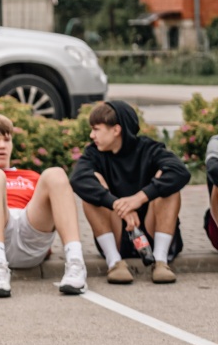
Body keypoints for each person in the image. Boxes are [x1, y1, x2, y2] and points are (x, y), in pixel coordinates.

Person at [0, 111, 87, 298]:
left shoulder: (31, 176)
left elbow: (41, 212)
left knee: (55, 173)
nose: (2, 145)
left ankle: (76, 264)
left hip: (28, 232)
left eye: (6, 140)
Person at [70, 100, 189, 285]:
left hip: (152, 231)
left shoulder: (150, 149)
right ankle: (114, 262)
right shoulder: (94, 153)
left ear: (116, 130)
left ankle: (160, 261)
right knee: (92, 188)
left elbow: (181, 172)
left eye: (96, 129)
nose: (92, 135)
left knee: (169, 184)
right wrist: (118, 205)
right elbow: (78, 179)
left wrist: (139, 198)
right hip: (117, 235)